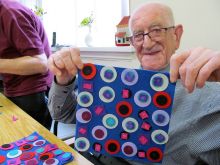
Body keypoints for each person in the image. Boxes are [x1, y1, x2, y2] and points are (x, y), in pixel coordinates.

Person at [48, 2, 220, 165]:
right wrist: (64, 80)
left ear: (176, 35)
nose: (147, 43)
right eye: (138, 35)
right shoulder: (113, 84)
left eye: (156, 30)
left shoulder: (209, 94)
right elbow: (64, 114)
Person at [0, 0, 52, 129]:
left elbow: (40, 63)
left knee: (30, 144)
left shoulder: (10, 13)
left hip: (32, 92)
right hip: (12, 86)